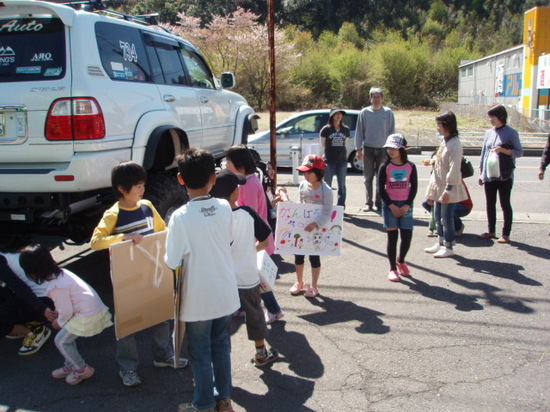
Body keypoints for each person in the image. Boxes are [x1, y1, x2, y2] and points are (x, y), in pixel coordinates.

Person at [90, 161, 186, 387]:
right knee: (127, 324)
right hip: (127, 278)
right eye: (138, 186)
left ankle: (163, 356)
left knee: (161, 314)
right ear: (122, 189)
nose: (142, 190)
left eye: (143, 185)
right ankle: (128, 368)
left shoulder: (147, 206)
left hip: (152, 272)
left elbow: (162, 231)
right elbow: (95, 242)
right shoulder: (113, 213)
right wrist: (122, 238)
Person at [165, 148, 240, 412]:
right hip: (226, 291)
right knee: (221, 345)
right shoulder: (223, 207)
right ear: (213, 178)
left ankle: (204, 404)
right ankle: (225, 400)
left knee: (200, 351)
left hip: (197, 297)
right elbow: (228, 240)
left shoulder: (180, 217)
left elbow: (171, 260)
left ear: (180, 179)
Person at [210, 169, 279, 367]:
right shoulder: (247, 213)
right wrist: (250, 250)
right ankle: (261, 351)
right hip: (247, 276)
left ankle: (221, 361)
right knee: (254, 313)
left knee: (222, 321)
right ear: (234, 193)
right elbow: (265, 241)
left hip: (222, 278)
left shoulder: (213, 218)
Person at [20, 244, 112, 385]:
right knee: (66, 340)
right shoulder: (61, 273)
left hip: (87, 315)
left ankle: (81, 369)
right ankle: (71, 363)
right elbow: (67, 303)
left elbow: (67, 311)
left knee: (61, 341)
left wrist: (59, 322)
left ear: (33, 272)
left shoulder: (56, 286)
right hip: (88, 310)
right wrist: (59, 313)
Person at [225, 145, 284, 325]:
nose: (225, 164)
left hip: (255, 238)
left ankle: (274, 309)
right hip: (254, 237)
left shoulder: (248, 184)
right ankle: (242, 307)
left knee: (256, 277)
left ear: (239, 165)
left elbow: (249, 215)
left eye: (228, 161)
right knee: (246, 274)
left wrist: (246, 241)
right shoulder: (248, 180)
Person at [424, 111, 468, 258]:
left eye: (439, 124)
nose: (437, 127)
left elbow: (454, 169)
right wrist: (432, 161)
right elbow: (440, 159)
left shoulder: (455, 144)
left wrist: (448, 191)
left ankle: (449, 246)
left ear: (447, 125)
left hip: (447, 187)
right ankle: (441, 242)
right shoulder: (445, 140)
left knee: (445, 218)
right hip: (438, 184)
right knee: (437, 216)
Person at [289, 155, 333, 298]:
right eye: (304, 172)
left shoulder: (326, 190)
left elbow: (327, 212)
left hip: (316, 230)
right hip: (302, 228)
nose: (305, 175)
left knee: (314, 257)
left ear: (319, 172)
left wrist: (316, 223)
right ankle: (299, 282)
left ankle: (314, 285)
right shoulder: (302, 185)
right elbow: (300, 205)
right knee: (298, 256)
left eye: (309, 172)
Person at [478, 104, 523, 243]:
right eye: (489, 117)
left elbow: (519, 152)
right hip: (490, 174)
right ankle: (491, 230)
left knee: (505, 204)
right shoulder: (488, 133)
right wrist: (481, 172)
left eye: (493, 116)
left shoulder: (511, 132)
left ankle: (506, 233)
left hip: (504, 174)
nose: (490, 119)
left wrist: (503, 150)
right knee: (490, 203)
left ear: (501, 117)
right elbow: (484, 154)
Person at [1, 248, 57, 355]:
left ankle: (34, 332)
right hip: (42, 294)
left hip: (46, 300)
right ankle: (18, 324)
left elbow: (20, 288)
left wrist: (43, 309)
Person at [378, 134, 418, 282]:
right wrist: (391, 205)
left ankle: (400, 260)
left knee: (407, 237)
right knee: (392, 238)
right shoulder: (385, 166)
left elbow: (414, 188)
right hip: (390, 205)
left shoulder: (411, 166)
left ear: (402, 149)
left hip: (406, 204)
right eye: (389, 148)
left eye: (394, 148)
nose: (391, 151)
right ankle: (392, 268)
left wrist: (407, 204)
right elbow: (381, 189)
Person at [355, 87, 396, 212]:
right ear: (370, 98)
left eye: (379, 97)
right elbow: (359, 132)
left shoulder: (388, 113)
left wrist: (391, 149)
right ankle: (369, 203)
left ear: (382, 98)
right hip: (368, 148)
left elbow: (392, 132)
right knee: (368, 177)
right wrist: (358, 149)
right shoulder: (364, 112)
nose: (376, 99)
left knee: (381, 178)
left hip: (383, 150)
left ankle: (379, 203)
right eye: (374, 97)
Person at [321, 107, 350, 208]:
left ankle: (341, 206)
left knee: (341, 185)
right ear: (332, 116)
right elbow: (323, 144)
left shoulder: (345, 129)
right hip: (329, 160)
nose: (338, 116)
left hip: (342, 160)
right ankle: (327, 205)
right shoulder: (326, 129)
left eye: (340, 114)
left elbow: (346, 143)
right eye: (336, 114)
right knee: (327, 184)